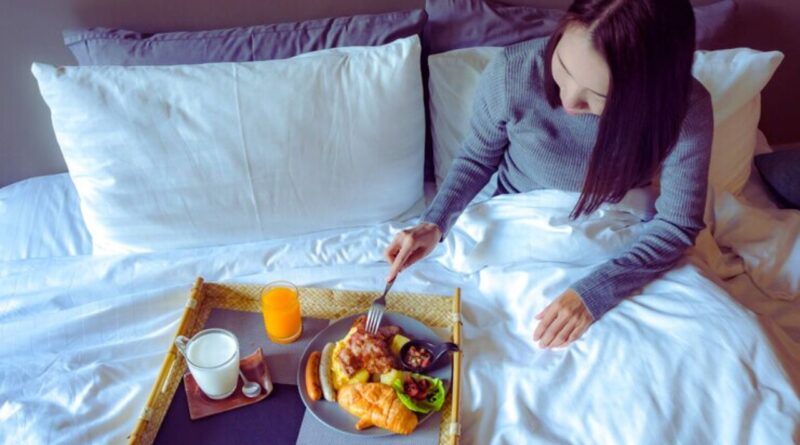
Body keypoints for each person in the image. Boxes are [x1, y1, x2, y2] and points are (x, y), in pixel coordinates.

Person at [384, 0, 713, 349]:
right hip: (519, 227)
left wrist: (593, 294)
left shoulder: (685, 110)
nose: (569, 101)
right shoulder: (514, 71)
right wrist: (435, 223)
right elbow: (476, 159)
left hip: (618, 238)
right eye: (563, 68)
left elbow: (677, 225)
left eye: (599, 96)